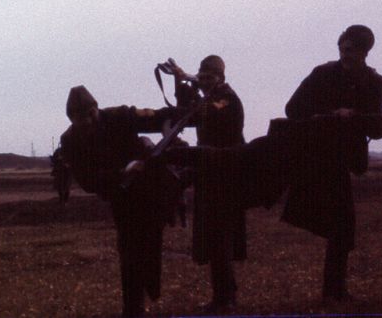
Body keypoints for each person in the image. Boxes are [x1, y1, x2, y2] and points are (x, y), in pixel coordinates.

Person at [283, 25, 382, 303]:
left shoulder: (374, 82)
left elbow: (376, 127)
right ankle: (334, 290)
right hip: (318, 157)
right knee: (339, 224)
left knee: (342, 226)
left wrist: (367, 120)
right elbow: (293, 109)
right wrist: (331, 114)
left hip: (345, 158)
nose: (345, 54)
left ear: (365, 52)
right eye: (342, 48)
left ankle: (334, 290)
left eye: (351, 50)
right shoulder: (322, 74)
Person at [59, 85, 180, 317]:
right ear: (71, 119)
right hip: (121, 196)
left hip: (151, 189)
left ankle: (148, 293)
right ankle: (133, 309)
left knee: (151, 244)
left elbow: (158, 117)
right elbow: (88, 181)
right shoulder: (71, 140)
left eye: (91, 114)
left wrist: (174, 123)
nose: (88, 121)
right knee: (130, 252)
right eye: (81, 119)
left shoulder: (120, 116)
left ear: (96, 108)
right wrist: (124, 172)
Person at [169, 55, 246, 314]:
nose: (203, 82)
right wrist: (181, 81)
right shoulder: (212, 97)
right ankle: (223, 295)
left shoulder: (226, 99)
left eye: (208, 77)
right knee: (214, 239)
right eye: (201, 76)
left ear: (220, 77)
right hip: (211, 174)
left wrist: (187, 80)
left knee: (220, 239)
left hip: (225, 176)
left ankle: (226, 298)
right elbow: (188, 111)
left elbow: (204, 111)